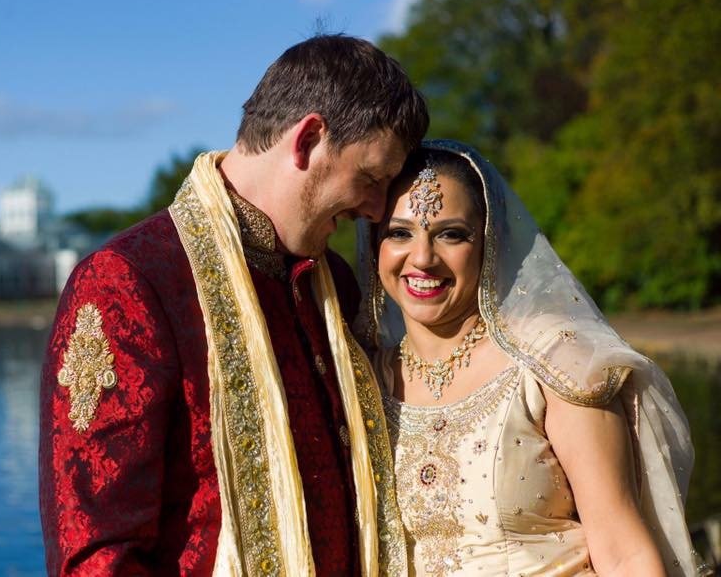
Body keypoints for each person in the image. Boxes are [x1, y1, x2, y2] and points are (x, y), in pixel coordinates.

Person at [39, 34, 429, 576]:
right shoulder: (128, 282)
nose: (377, 209)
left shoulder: (335, 282)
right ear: (308, 139)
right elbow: (98, 554)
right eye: (370, 179)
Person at [354, 139, 706, 575]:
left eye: (451, 234)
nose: (423, 258)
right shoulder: (360, 379)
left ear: (488, 244)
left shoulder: (554, 364)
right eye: (399, 232)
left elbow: (624, 553)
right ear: (375, 247)